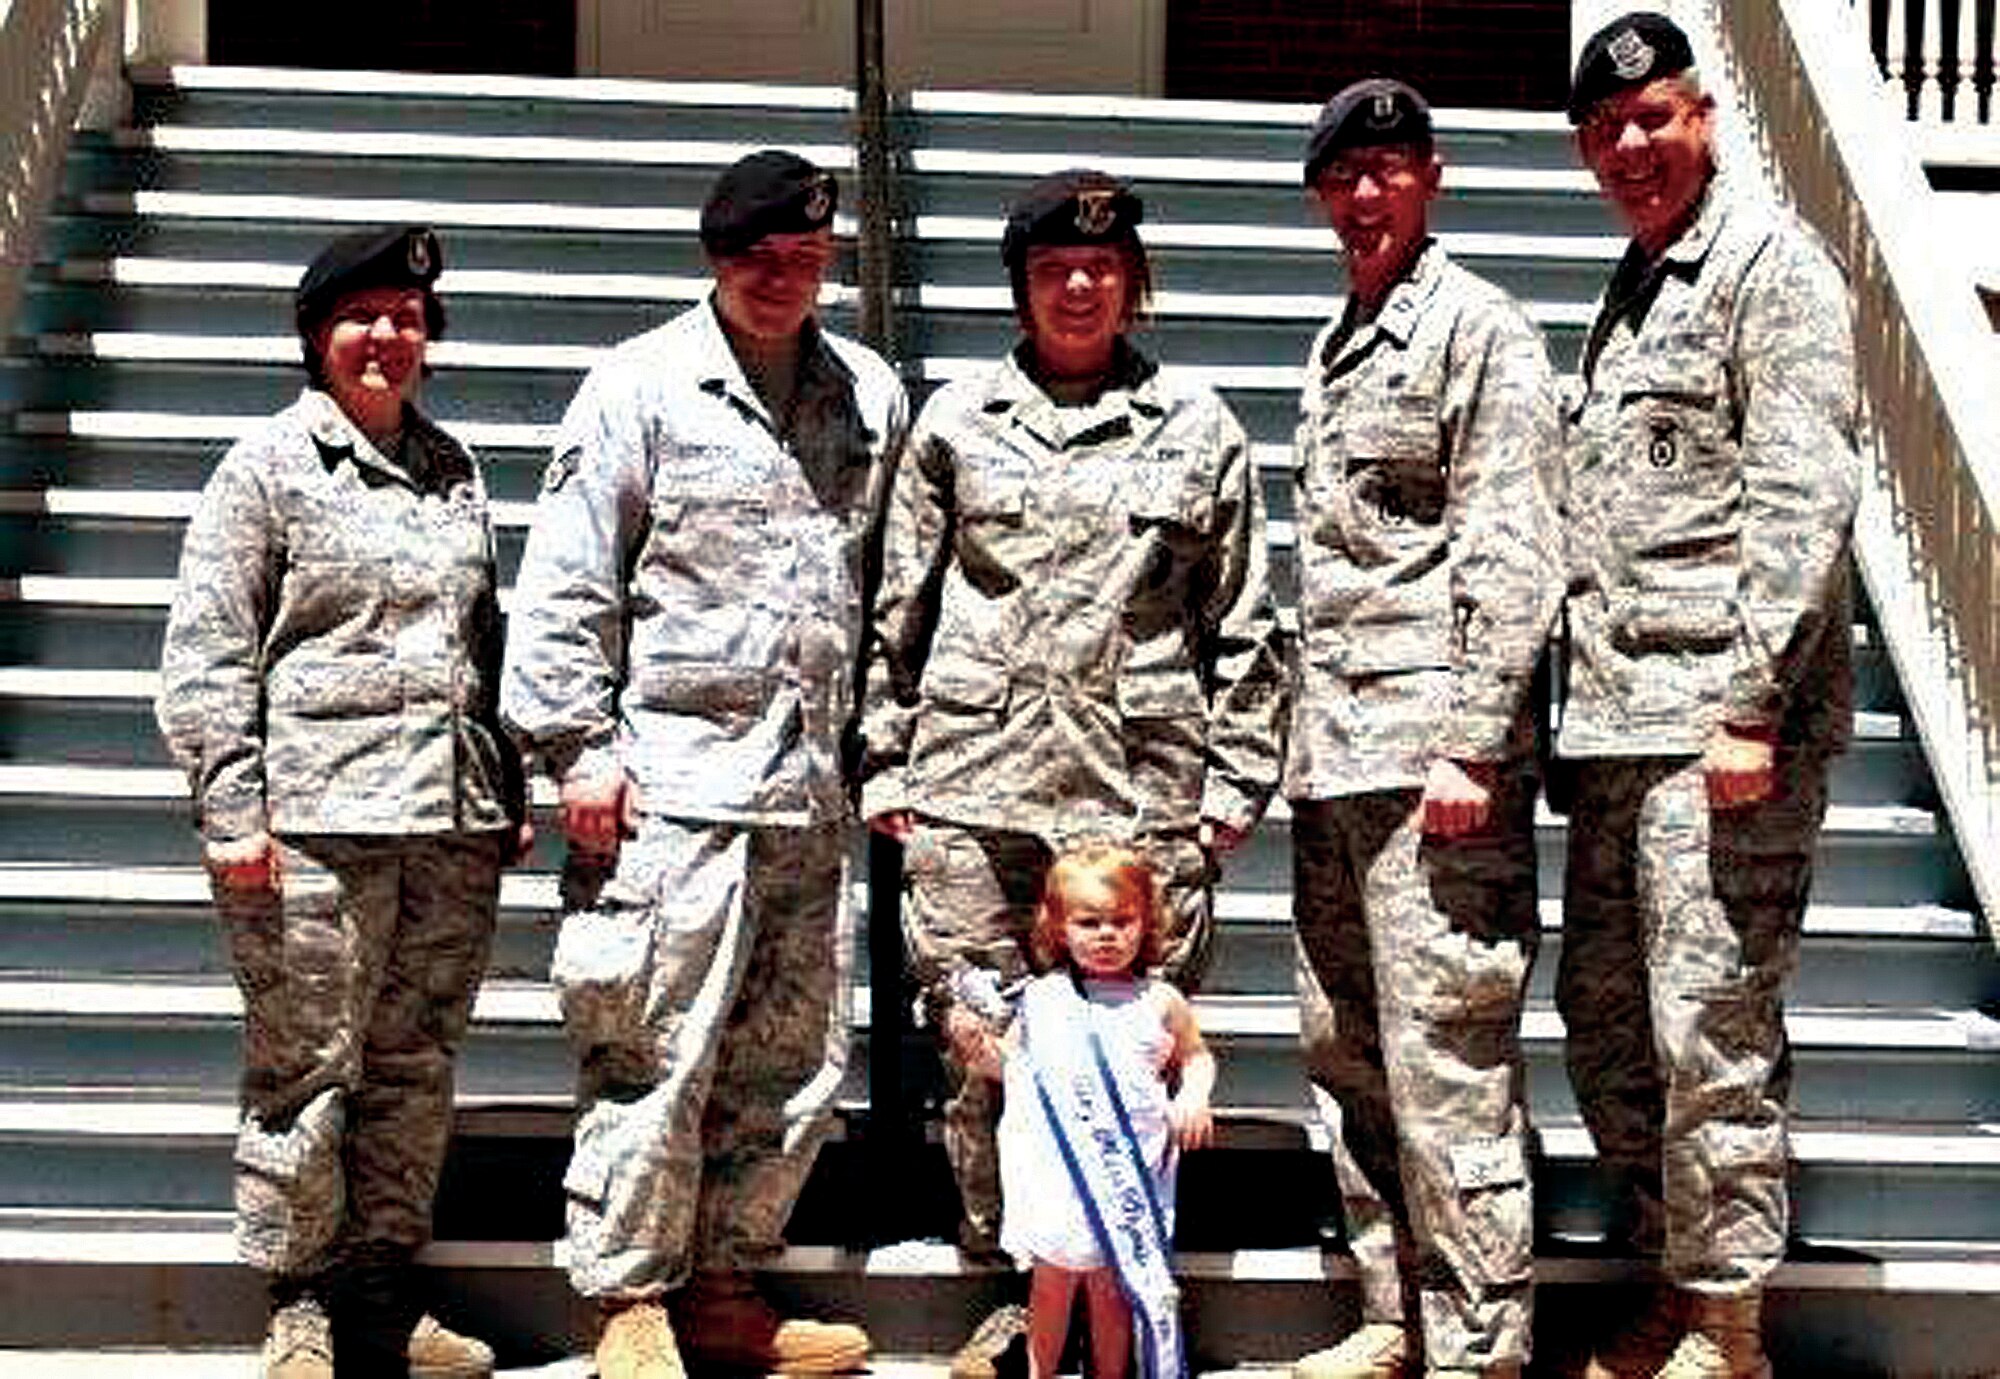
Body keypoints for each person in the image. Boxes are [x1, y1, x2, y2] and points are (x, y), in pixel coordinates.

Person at [859, 168, 1285, 1376]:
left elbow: (1245, 615)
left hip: (1137, 794)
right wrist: (884, 760)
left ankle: (1130, 1285)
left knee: (1129, 1058)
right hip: (972, 787)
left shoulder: (1199, 427)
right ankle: (1015, 1282)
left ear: (1133, 279)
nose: (1080, 286)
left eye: (1101, 267)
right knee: (985, 1058)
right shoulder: (953, 423)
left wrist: (1236, 777)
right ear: (1022, 286)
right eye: (1053, 271)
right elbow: (901, 602)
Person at [499, 150, 907, 1379]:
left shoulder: (868, 394)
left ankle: (726, 1285)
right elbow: (568, 578)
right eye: (754, 255)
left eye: (802, 254)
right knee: (651, 1049)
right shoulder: (639, 385)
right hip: (669, 788)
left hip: (804, 790)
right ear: (713, 258)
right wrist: (574, 747)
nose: (780, 276)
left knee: (787, 1062)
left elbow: (885, 589)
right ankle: (629, 1301)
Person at [156, 225, 527, 1379]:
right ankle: (299, 1297)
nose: (388, 337)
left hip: (445, 826)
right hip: (313, 823)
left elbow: (484, 639)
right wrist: (232, 809)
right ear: (318, 336)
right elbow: (207, 649)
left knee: (413, 1063)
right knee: (305, 1066)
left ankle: (379, 1285)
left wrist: (505, 776)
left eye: (408, 319)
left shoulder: (453, 467)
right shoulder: (266, 467)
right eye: (363, 317)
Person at [1556, 14, 1861, 1379]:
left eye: (1656, 121)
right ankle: (1677, 1279)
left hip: (1722, 733)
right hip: (1623, 726)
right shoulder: (1631, 290)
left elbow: (1805, 495)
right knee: (1611, 1020)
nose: (1633, 148)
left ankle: (1730, 1320)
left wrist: (1751, 703)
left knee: (1712, 1026)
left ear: (1705, 119)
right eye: (1609, 132)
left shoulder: (1769, 272)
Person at [1281, 80, 1562, 1379]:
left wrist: (1472, 738)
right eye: (1345, 175)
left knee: (1449, 1069)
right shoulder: (1341, 343)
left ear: (1433, 176)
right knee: (1350, 1057)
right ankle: (1397, 1312)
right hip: (1338, 763)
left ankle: (1479, 1350)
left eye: (1390, 169)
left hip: (1435, 770)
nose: (1367, 193)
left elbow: (1511, 547)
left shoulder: (1478, 331)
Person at [974, 843, 1215, 1379]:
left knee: (1113, 1289)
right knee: (1052, 1284)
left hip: (1127, 1179)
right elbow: (1010, 1067)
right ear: (1059, 928)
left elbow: (1197, 1058)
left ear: (1145, 923)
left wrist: (1193, 1096)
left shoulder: (1161, 1000)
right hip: (1061, 1176)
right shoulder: (1042, 999)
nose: (1107, 934)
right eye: (1089, 922)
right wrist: (977, 1049)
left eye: (1122, 920)